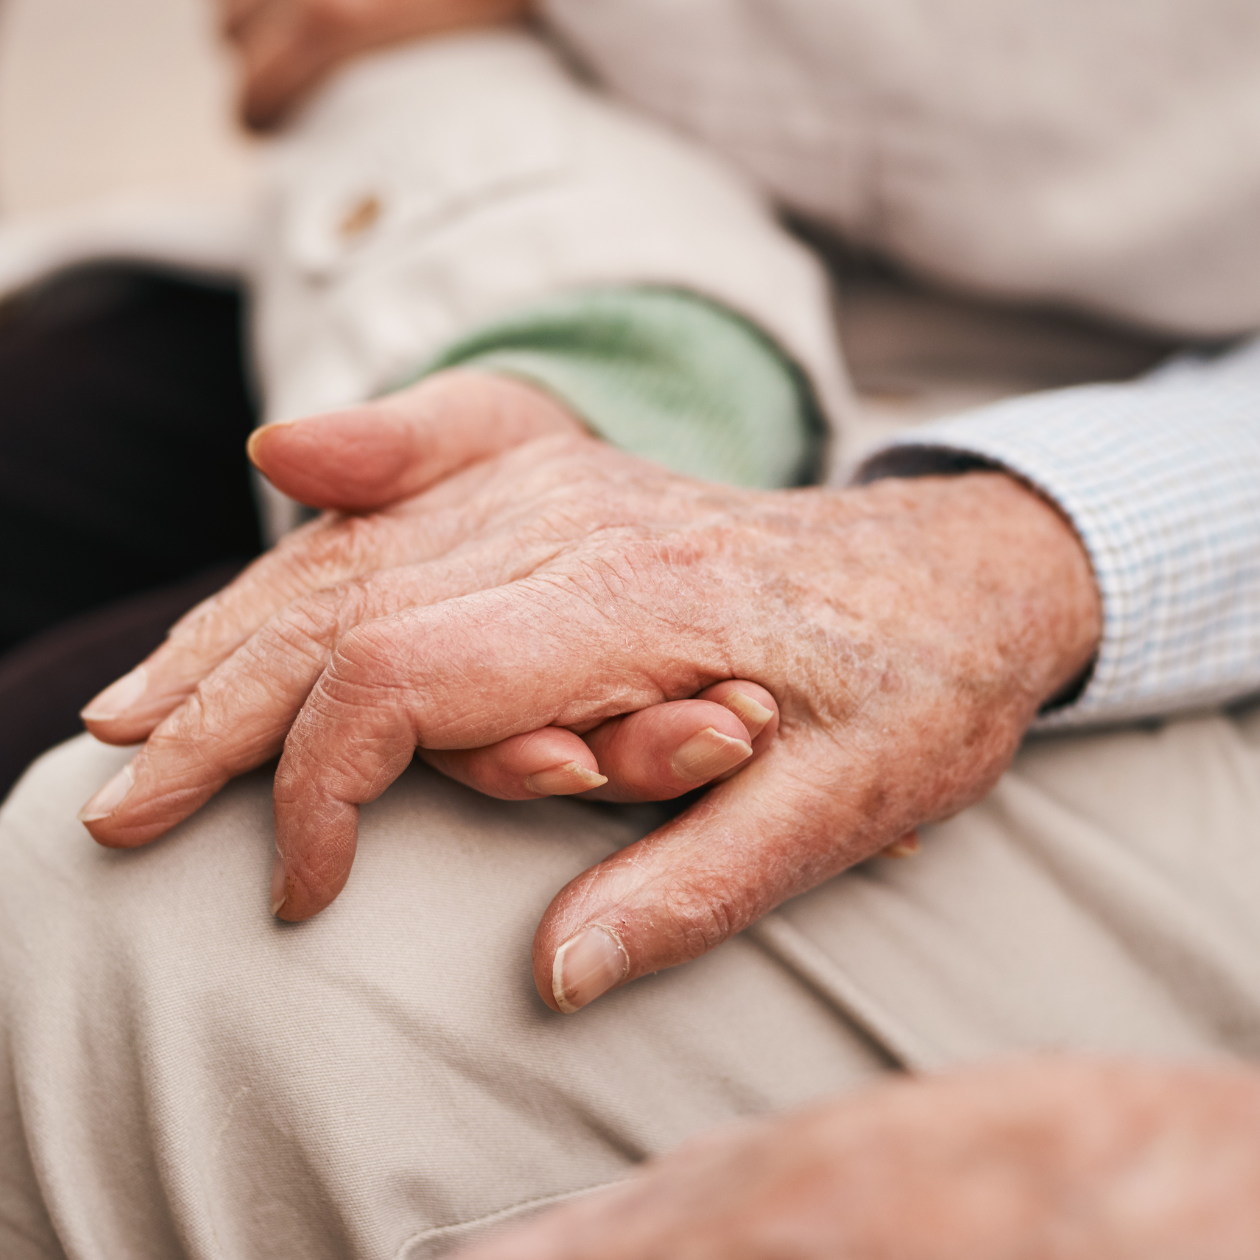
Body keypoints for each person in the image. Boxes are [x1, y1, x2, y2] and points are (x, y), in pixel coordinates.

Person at [2, 2, 1260, 1257]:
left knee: (142, 931)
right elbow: (395, 29)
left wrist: (1021, 554)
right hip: (606, 224)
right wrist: (624, 370)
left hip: (1197, 480)